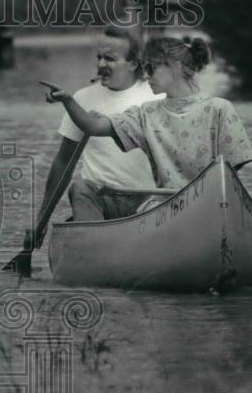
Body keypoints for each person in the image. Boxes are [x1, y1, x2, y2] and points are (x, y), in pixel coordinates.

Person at [44, 35, 252, 201]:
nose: (145, 76)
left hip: (212, 204)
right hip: (167, 207)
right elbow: (93, 126)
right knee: (82, 188)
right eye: (144, 68)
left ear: (176, 66)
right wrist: (68, 100)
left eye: (151, 68)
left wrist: (205, 197)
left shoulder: (220, 109)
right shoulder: (146, 113)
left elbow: (232, 169)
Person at [34, 26, 163, 243]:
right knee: (81, 188)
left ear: (133, 63)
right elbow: (64, 162)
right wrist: (41, 219)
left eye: (110, 59)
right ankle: (93, 244)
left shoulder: (156, 98)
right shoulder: (82, 99)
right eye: (99, 57)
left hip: (149, 201)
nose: (101, 64)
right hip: (102, 199)